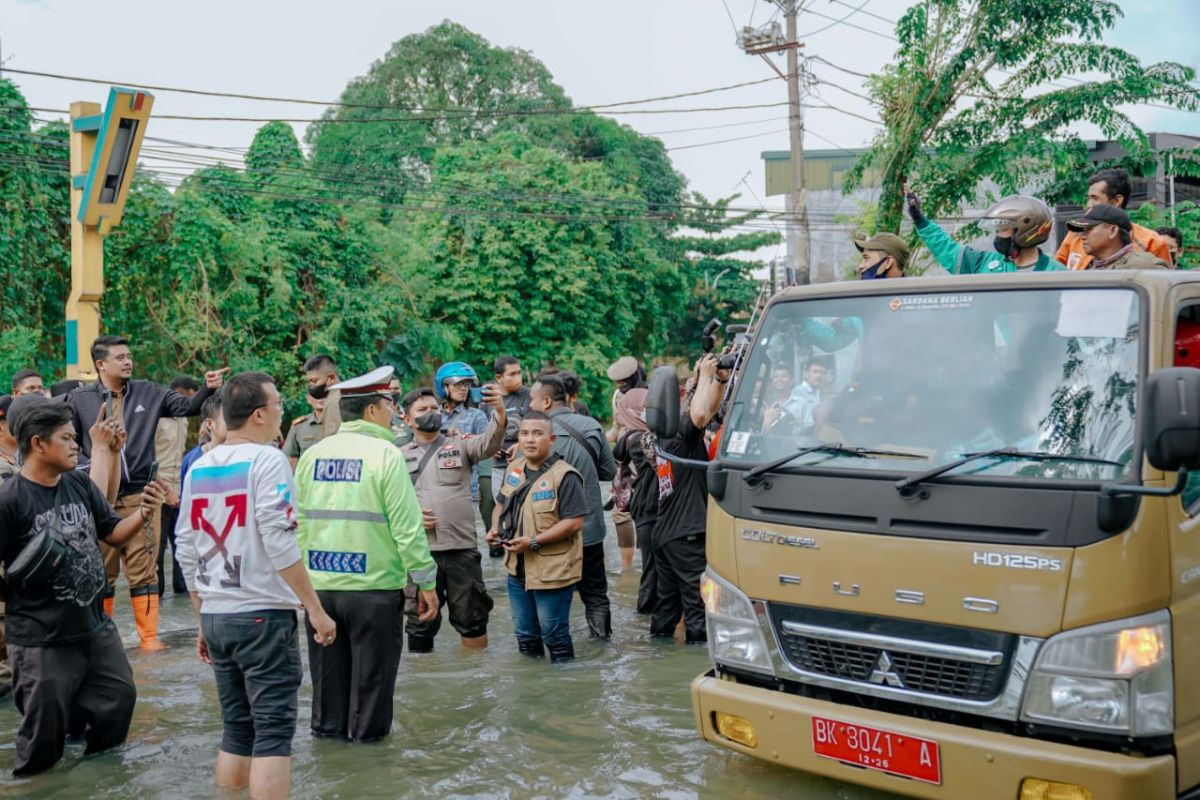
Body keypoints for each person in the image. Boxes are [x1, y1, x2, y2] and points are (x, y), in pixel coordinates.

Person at [174, 371, 336, 800]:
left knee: (236, 727)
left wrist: (201, 619)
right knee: (274, 732)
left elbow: (185, 547)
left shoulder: (201, 466)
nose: (284, 410)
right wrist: (315, 610)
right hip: (263, 615)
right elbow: (279, 540)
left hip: (217, 614)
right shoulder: (269, 461)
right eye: (279, 403)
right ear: (261, 414)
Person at [0, 395, 166, 776]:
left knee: (119, 701)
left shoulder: (77, 484)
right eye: (67, 438)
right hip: (41, 641)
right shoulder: (9, 499)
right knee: (44, 743)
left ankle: (96, 780)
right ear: (39, 444)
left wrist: (143, 512)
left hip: (94, 630)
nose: (77, 444)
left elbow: (113, 533)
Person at [294, 367, 439, 742]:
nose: (393, 412)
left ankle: (332, 762)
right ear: (374, 410)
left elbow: (298, 526)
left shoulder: (312, 455)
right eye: (390, 403)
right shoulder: (386, 455)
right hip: (373, 591)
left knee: (327, 694)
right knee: (371, 693)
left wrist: (304, 591)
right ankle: (369, 770)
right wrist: (426, 582)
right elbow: (408, 530)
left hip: (321, 592)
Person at [67, 335, 225, 650]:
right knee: (102, 570)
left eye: (129, 356)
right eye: (120, 357)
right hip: (99, 497)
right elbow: (69, 443)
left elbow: (189, 407)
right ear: (101, 364)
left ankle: (149, 639)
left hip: (141, 494)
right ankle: (104, 636)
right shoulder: (79, 399)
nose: (128, 361)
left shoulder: (149, 392)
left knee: (145, 569)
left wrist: (209, 387)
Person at [400, 385, 504, 652]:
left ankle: (473, 682)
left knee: (473, 619)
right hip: (419, 553)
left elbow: (489, 443)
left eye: (434, 408)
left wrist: (499, 413)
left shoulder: (460, 444)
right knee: (419, 621)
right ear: (407, 419)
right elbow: (386, 504)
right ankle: (426, 685)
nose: (430, 413)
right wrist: (412, 517)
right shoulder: (396, 456)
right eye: (422, 410)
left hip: (461, 550)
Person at [486, 412, 586, 663]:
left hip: (552, 572)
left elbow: (574, 522)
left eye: (537, 434)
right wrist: (495, 529)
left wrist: (533, 542)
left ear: (551, 439)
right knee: (525, 635)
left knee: (555, 635)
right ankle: (532, 689)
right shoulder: (514, 467)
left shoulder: (565, 475)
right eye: (524, 434)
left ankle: (563, 688)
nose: (529, 440)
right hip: (517, 570)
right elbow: (501, 503)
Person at [530, 372, 616, 639]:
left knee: (550, 596)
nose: (529, 405)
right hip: (589, 528)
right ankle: (601, 645)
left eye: (532, 399)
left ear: (546, 403)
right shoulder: (591, 425)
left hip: (549, 533)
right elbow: (609, 472)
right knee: (596, 595)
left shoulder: (533, 434)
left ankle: (556, 657)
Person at [650, 355, 727, 644]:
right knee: (699, 609)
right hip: (687, 534)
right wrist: (711, 378)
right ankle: (698, 667)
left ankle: (658, 656)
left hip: (667, 533)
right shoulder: (682, 432)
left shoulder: (661, 434)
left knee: (667, 608)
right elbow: (701, 415)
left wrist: (708, 379)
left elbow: (700, 409)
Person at [905, 185, 1061, 274]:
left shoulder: (1057, 274)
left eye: (1003, 228)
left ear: (1025, 231)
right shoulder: (982, 264)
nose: (998, 235)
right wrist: (920, 220)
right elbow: (948, 250)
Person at [1056, 168, 1173, 271]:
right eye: (1088, 198)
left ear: (1117, 201)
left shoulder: (1151, 241)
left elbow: (1163, 286)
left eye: (1095, 198)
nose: (1089, 205)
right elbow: (1058, 273)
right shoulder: (1075, 234)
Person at [612, 388, 659, 613]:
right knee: (652, 565)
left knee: (653, 564)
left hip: (647, 507)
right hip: (649, 507)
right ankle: (645, 612)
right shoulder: (638, 438)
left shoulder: (634, 436)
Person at [156, 375, 200, 597]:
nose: (189, 405)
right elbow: (146, 462)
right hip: (157, 493)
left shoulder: (182, 420)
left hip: (180, 492)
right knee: (156, 549)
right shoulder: (155, 419)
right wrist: (166, 491)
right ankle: (156, 596)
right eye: (188, 399)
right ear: (177, 394)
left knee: (183, 545)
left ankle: (184, 594)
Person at [606, 357, 646, 570]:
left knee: (645, 509)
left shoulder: (650, 395)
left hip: (645, 460)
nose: (618, 386)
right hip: (623, 459)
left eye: (622, 381)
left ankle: (647, 561)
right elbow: (615, 429)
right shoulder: (616, 397)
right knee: (621, 512)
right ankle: (627, 568)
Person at [490, 355, 532, 557]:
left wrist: (520, 444)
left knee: (524, 510)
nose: (518, 377)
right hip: (497, 465)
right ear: (499, 378)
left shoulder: (530, 396)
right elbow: (481, 432)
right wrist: (492, 446)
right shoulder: (487, 399)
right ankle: (501, 548)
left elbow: (539, 425)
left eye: (519, 372)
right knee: (500, 507)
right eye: (512, 374)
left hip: (524, 465)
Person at [1065, 205, 1172, 271]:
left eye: (1089, 229)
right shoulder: (1090, 270)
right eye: (1083, 231)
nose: (1082, 237)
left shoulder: (1145, 266)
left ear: (1113, 231)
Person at [303, 353, 342, 442]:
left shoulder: (334, 402)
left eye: (314, 381)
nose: (311, 386)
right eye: (309, 382)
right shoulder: (346, 395)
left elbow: (332, 442)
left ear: (331, 378)